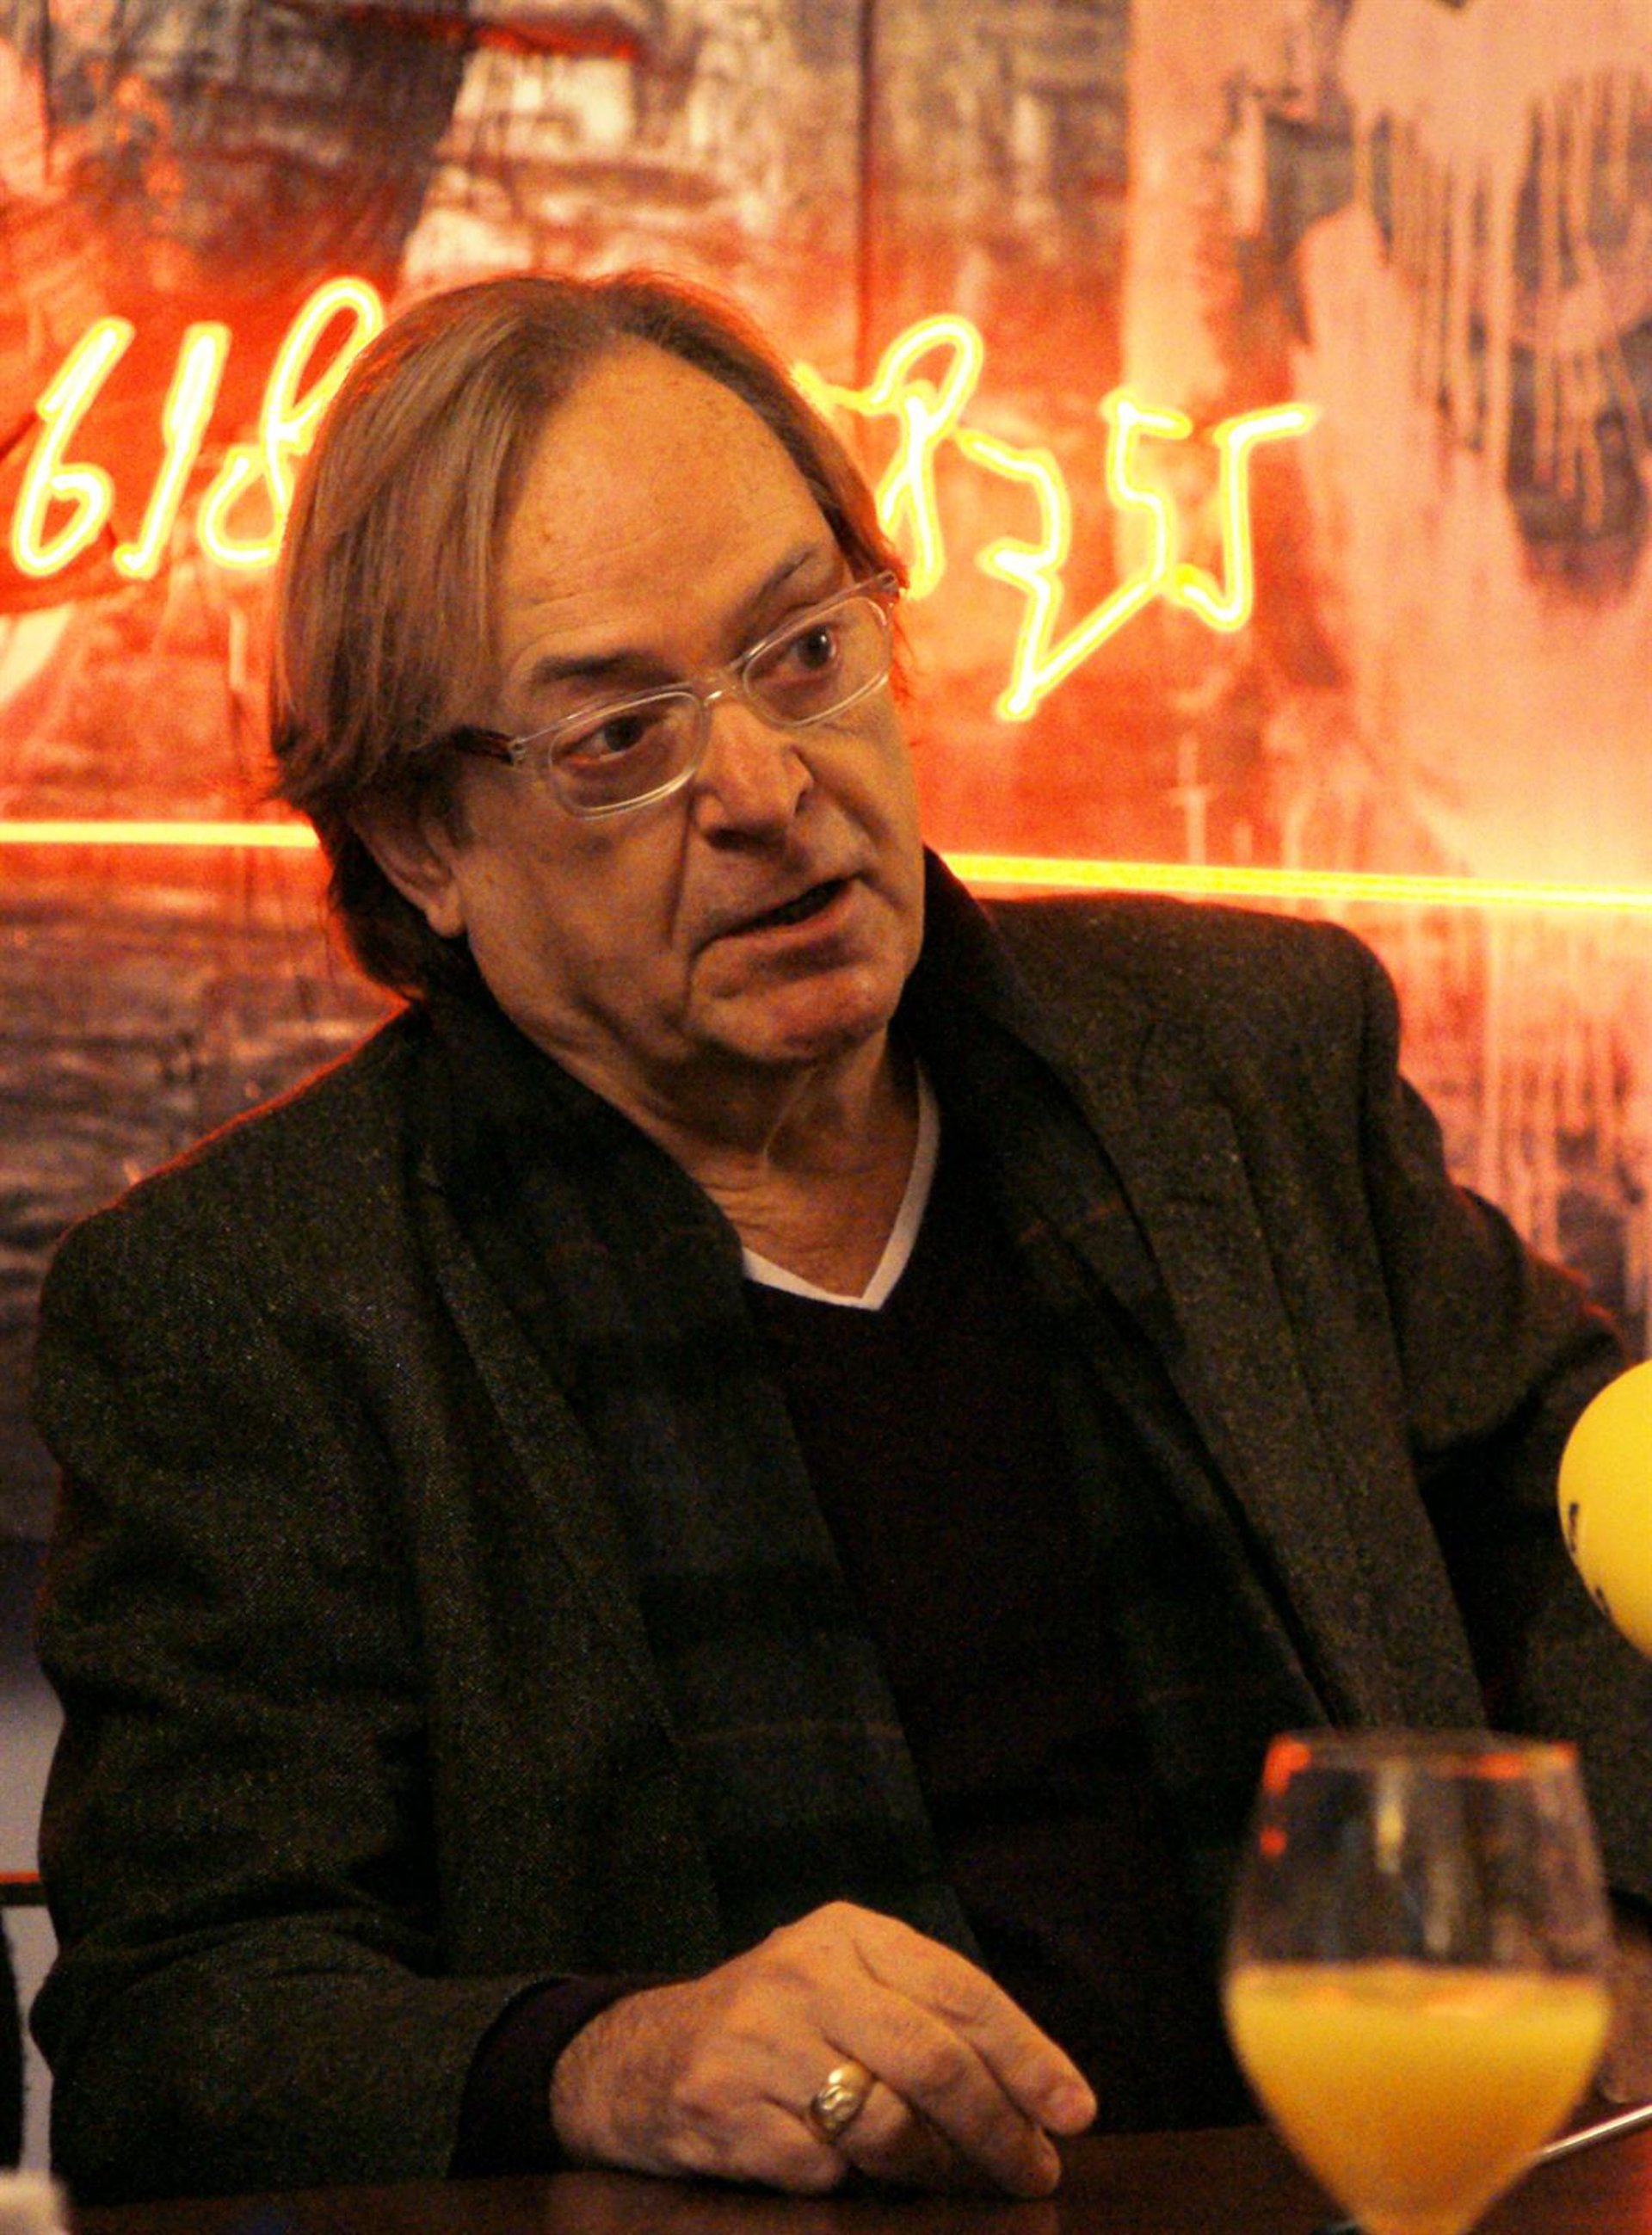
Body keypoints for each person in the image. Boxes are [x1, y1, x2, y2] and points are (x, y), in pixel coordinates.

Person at [28, 272, 1652, 2208]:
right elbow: (183, 2029)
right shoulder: (255, 1304)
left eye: (804, 652)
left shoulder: (1243, 1066)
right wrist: (603, 2060)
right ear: (419, 842)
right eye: (621, 735)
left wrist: (1621, 1919)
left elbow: (1599, 1518)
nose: (769, 791)